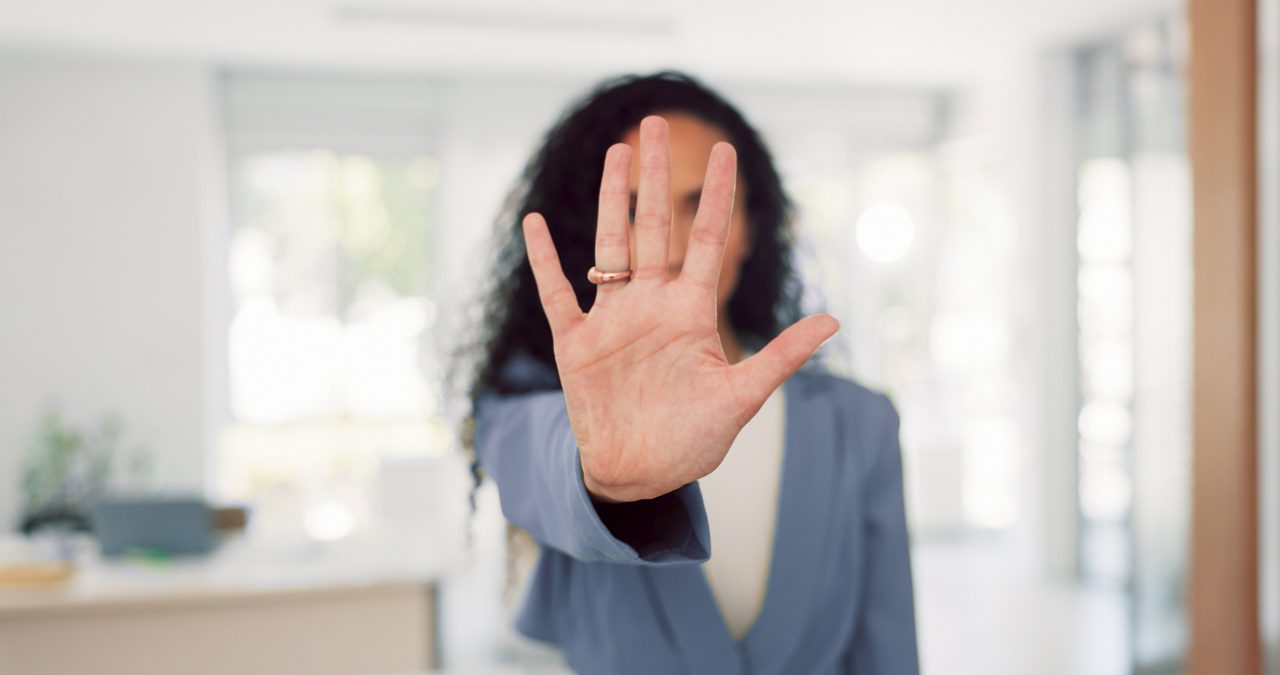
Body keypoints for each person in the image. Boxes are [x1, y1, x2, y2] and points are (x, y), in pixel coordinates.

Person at [463, 71, 918, 674]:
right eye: (629, 208)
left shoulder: (861, 425)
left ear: (753, 227)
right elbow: (538, 466)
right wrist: (607, 479)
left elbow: (888, 653)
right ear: (587, 234)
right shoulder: (533, 410)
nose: (672, 241)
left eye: (702, 203)